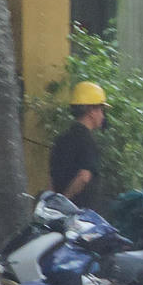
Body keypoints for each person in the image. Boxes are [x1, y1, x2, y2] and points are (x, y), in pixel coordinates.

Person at [48, 81, 107, 210]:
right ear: (91, 111)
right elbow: (84, 177)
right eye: (101, 110)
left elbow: (52, 179)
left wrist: (54, 206)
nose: (103, 116)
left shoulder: (61, 139)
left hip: (58, 216)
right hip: (80, 218)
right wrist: (65, 201)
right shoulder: (88, 141)